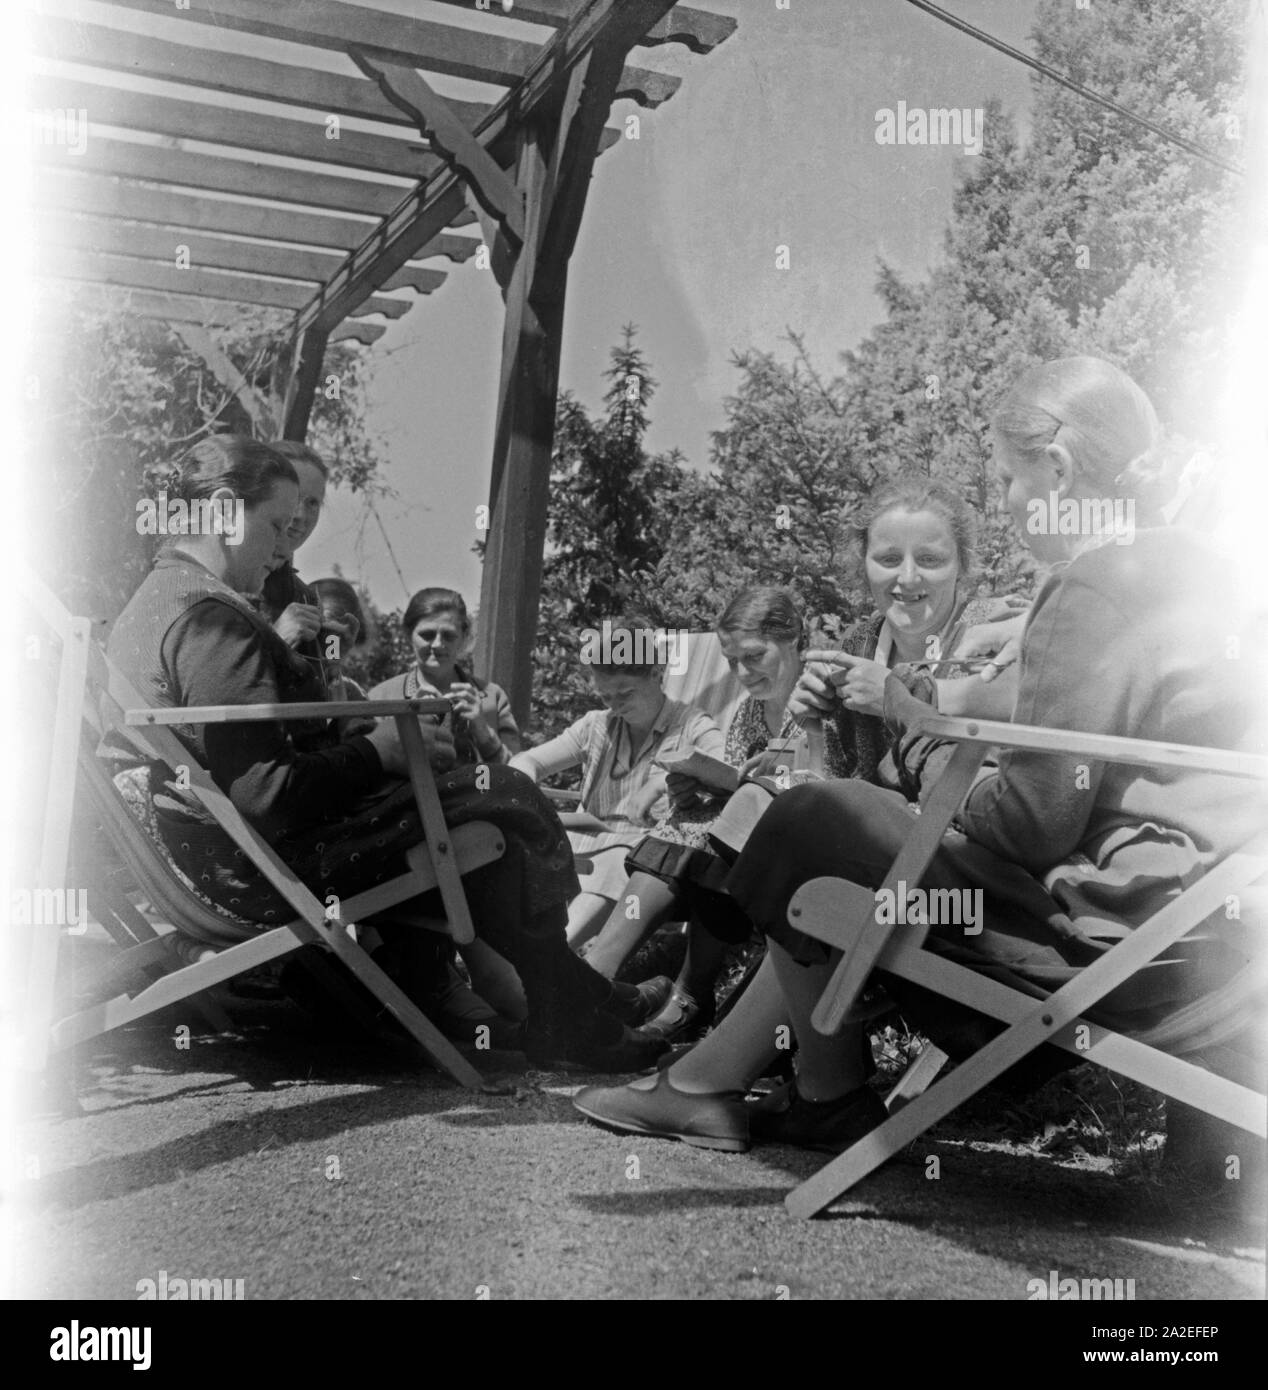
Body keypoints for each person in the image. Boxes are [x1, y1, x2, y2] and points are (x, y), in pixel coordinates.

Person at [573, 356, 1265, 1153]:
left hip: (1117, 940)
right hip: (1206, 931)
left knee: (809, 820)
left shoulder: (1093, 586)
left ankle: (794, 1090)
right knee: (830, 822)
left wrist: (922, 756)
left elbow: (1032, 822)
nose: (1006, 502)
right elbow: (1052, 715)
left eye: (1008, 479)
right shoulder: (1205, 576)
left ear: (1058, 469)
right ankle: (748, 1089)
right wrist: (917, 709)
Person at [104, 435, 665, 1072]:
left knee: (485, 830)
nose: (285, 547)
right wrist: (378, 752)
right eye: (277, 525)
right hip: (255, 872)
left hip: (212, 859)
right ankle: (572, 1010)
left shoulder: (154, 603)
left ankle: (573, 1004)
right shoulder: (214, 621)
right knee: (505, 794)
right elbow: (267, 792)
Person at [626, 478, 1005, 1043]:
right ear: (863, 564)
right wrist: (810, 725)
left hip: (961, 862)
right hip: (873, 854)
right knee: (773, 822)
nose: (907, 578)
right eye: (888, 558)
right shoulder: (859, 641)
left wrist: (898, 698)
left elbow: (1007, 753)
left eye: (929, 559)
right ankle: (759, 1041)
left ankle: (735, 1035)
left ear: (962, 565)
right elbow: (834, 780)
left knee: (770, 820)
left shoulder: (992, 630)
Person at [509, 616, 725, 954]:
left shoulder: (691, 725)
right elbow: (528, 760)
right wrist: (524, 790)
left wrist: (662, 781)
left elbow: (727, 773)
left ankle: (550, 958)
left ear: (656, 674)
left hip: (642, 862)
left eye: (625, 693)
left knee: (618, 862)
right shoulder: (596, 726)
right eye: (606, 695)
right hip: (582, 848)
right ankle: (525, 959)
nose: (615, 705)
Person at [369, 588, 520, 767]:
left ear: (463, 637)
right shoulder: (380, 698)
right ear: (409, 635)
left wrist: (484, 733)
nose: (438, 644)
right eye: (427, 635)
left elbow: (518, 773)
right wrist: (409, 728)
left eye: (448, 636)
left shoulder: (492, 698)